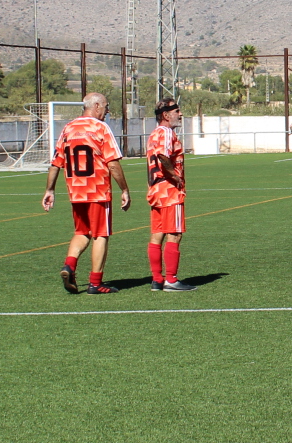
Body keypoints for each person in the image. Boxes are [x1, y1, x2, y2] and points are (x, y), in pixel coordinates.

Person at [41, 92, 130, 294]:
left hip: (76, 191)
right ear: (96, 105)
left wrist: (50, 189)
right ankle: (95, 283)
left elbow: (56, 163)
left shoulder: (68, 128)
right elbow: (113, 164)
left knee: (82, 232)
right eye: (106, 106)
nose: (107, 111)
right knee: (101, 235)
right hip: (97, 190)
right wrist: (124, 189)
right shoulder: (100, 128)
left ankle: (69, 265)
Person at [146, 98, 195, 291]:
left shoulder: (153, 134)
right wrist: (175, 176)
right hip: (169, 191)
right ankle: (171, 280)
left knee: (157, 235)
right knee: (174, 234)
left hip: (156, 190)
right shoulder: (166, 132)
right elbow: (163, 156)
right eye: (177, 111)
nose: (180, 114)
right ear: (166, 115)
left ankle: (157, 279)